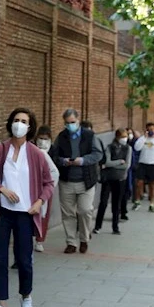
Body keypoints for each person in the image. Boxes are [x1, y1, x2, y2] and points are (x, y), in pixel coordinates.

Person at [0, 108, 55, 307]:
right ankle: (2, 305)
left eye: (23, 121)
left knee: (24, 260)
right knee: (0, 259)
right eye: (16, 120)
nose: (19, 124)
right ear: (10, 123)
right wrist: (1, 189)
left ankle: (26, 297)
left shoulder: (36, 154)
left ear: (30, 127)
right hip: (2, 212)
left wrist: (39, 202)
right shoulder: (0, 150)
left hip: (25, 213)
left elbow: (49, 183)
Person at [48, 109, 102, 254]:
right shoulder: (62, 136)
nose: (70, 125)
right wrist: (64, 161)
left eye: (72, 122)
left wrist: (83, 160)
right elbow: (54, 156)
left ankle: (84, 238)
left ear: (78, 120)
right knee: (68, 213)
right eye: (67, 123)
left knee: (85, 210)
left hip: (86, 180)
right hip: (67, 180)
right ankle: (71, 241)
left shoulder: (89, 136)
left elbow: (98, 154)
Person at [94, 128, 131, 236]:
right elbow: (108, 162)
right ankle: (97, 226)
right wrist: (119, 162)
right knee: (103, 202)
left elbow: (127, 165)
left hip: (120, 178)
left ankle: (115, 227)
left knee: (117, 203)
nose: (125, 139)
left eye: (126, 137)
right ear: (117, 137)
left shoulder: (128, 148)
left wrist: (111, 165)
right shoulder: (109, 147)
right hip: (108, 178)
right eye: (123, 137)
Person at [32, 126, 60, 252]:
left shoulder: (53, 151)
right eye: (40, 138)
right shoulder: (32, 148)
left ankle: (40, 239)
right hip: (32, 186)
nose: (43, 142)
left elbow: (55, 170)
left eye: (45, 139)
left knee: (44, 214)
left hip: (46, 187)